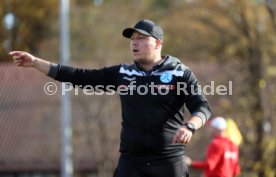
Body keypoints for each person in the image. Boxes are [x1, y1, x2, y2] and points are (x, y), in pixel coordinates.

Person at [9, 19, 211, 177]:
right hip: (132, 163)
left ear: (158, 43)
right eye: (132, 39)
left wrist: (190, 126)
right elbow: (79, 77)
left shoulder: (180, 73)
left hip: (169, 161)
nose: (134, 42)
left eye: (141, 38)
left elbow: (202, 107)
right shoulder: (123, 73)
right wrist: (36, 62)